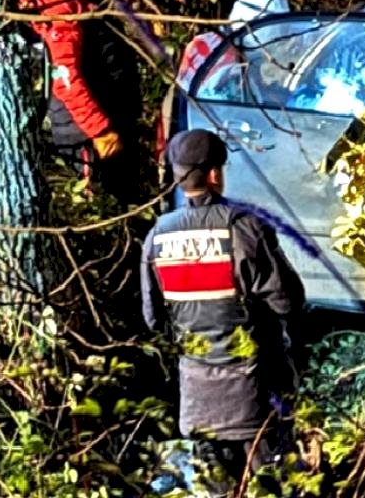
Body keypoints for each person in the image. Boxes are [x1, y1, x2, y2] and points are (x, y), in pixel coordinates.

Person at [141, 129, 305, 488]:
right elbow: (288, 301)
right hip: (254, 400)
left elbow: (153, 319)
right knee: (272, 487)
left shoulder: (158, 236)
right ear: (215, 174)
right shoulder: (244, 227)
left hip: (198, 404)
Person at [10, 0, 144, 204]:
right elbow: (65, 79)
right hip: (87, 136)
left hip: (106, 120)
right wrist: (100, 131)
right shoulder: (58, 9)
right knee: (106, 204)